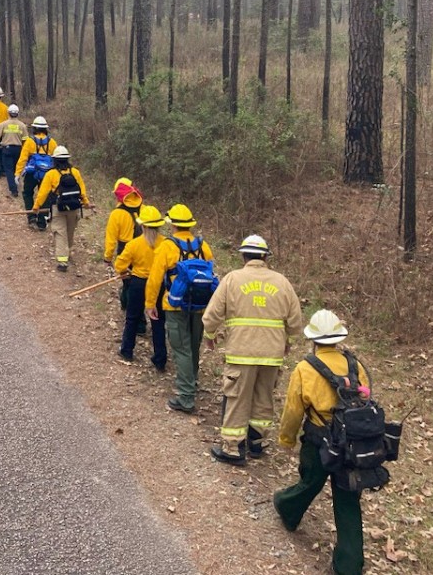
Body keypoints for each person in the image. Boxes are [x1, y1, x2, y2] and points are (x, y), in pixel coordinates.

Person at [274, 310, 371, 575]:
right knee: (348, 500)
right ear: (338, 338)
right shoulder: (355, 365)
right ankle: (350, 566)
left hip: (319, 441)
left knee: (309, 483)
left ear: (313, 339)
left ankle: (287, 509)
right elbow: (364, 399)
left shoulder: (306, 368)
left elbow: (293, 410)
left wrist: (286, 439)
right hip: (352, 443)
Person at [203, 233, 304, 465]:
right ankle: (257, 444)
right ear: (265, 257)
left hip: (241, 352)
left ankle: (232, 449)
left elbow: (211, 315)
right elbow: (296, 323)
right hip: (272, 355)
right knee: (263, 398)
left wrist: (210, 335)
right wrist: (285, 339)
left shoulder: (232, 279)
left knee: (238, 398)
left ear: (243, 256)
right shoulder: (282, 282)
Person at [145, 204, 213, 414]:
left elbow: (155, 278)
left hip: (175, 305)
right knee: (193, 346)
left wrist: (149, 304)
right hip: (200, 306)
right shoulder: (204, 246)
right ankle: (191, 382)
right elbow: (211, 276)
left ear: (172, 224)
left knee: (181, 349)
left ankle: (186, 397)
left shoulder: (167, 246)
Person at [113, 205, 167, 371]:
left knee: (132, 318)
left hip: (138, 282)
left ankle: (127, 350)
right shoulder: (165, 243)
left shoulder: (134, 244)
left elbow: (119, 264)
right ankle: (160, 359)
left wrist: (125, 271)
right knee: (158, 321)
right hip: (158, 284)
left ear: (142, 226)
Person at [33, 145, 91, 272]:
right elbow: (82, 190)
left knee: (60, 232)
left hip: (58, 207)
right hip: (74, 207)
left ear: (54, 159)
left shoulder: (51, 174)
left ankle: (62, 261)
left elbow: (42, 193)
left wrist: (36, 207)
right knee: (70, 230)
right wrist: (86, 203)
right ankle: (68, 251)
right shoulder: (75, 172)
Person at [104, 177, 144, 329]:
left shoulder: (117, 214)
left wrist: (107, 257)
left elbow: (111, 238)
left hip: (126, 250)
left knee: (128, 283)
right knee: (139, 282)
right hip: (145, 249)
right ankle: (128, 307)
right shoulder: (144, 209)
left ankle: (137, 321)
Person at [16, 116, 57, 229]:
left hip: (32, 173)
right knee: (45, 196)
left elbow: (23, 158)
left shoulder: (30, 141)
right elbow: (56, 160)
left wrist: (17, 173)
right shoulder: (52, 142)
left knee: (28, 193)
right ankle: (42, 221)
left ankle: (31, 217)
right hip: (47, 175)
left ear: (34, 128)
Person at [0, 104, 28, 197]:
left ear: (8, 113)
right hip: (18, 150)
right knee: (16, 169)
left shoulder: (4, 124)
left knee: (9, 170)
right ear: (17, 114)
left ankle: (13, 190)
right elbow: (25, 140)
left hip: (7, 149)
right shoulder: (22, 125)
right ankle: (16, 184)